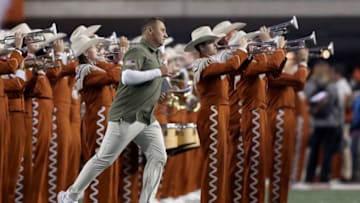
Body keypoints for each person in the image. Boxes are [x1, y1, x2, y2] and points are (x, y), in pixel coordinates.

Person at [58, 17, 170, 203]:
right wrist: (124, 56)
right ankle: (71, 195)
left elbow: (125, 80)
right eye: (95, 47)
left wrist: (158, 90)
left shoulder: (100, 65)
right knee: (103, 159)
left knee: (159, 156)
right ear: (85, 52)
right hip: (120, 118)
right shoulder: (84, 69)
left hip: (142, 115)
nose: (100, 49)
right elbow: (119, 76)